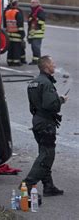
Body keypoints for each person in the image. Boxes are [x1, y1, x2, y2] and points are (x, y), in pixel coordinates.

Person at [22, 56, 68, 197]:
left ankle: (48, 186)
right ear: (47, 66)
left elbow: (32, 106)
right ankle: (28, 184)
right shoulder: (46, 83)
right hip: (46, 123)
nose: (54, 65)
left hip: (37, 121)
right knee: (47, 155)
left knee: (44, 153)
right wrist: (60, 100)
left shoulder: (33, 83)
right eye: (53, 63)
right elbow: (50, 105)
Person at [3, 0, 25, 66]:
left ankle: (10, 61)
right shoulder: (17, 12)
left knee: (10, 49)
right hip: (17, 34)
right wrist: (22, 34)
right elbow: (20, 24)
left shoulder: (7, 12)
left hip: (9, 34)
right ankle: (16, 62)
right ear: (15, 4)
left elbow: (5, 24)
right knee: (16, 49)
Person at [28, 0, 46, 65]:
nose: (32, 4)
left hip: (38, 32)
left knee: (36, 47)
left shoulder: (40, 10)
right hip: (32, 32)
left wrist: (35, 19)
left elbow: (42, 20)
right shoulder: (32, 11)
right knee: (33, 47)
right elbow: (29, 21)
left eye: (34, 2)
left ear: (38, 3)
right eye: (31, 2)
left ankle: (38, 61)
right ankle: (35, 60)